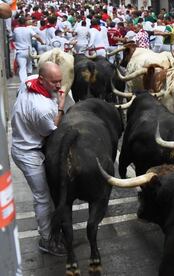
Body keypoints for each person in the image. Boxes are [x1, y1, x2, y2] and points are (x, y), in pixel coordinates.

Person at [11, 62, 66, 256]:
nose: (59, 86)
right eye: (54, 82)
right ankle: (46, 239)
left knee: (47, 195)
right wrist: (60, 106)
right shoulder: (42, 109)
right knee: (42, 198)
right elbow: (51, 131)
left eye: (60, 80)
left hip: (21, 142)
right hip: (29, 153)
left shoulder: (29, 80)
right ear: (41, 79)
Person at [13, 17, 45, 82]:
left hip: (20, 51)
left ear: (18, 22)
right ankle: (30, 79)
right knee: (29, 65)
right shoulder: (28, 29)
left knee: (22, 68)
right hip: (28, 51)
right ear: (25, 22)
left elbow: (13, 38)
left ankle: (24, 82)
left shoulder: (15, 30)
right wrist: (42, 42)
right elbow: (37, 36)